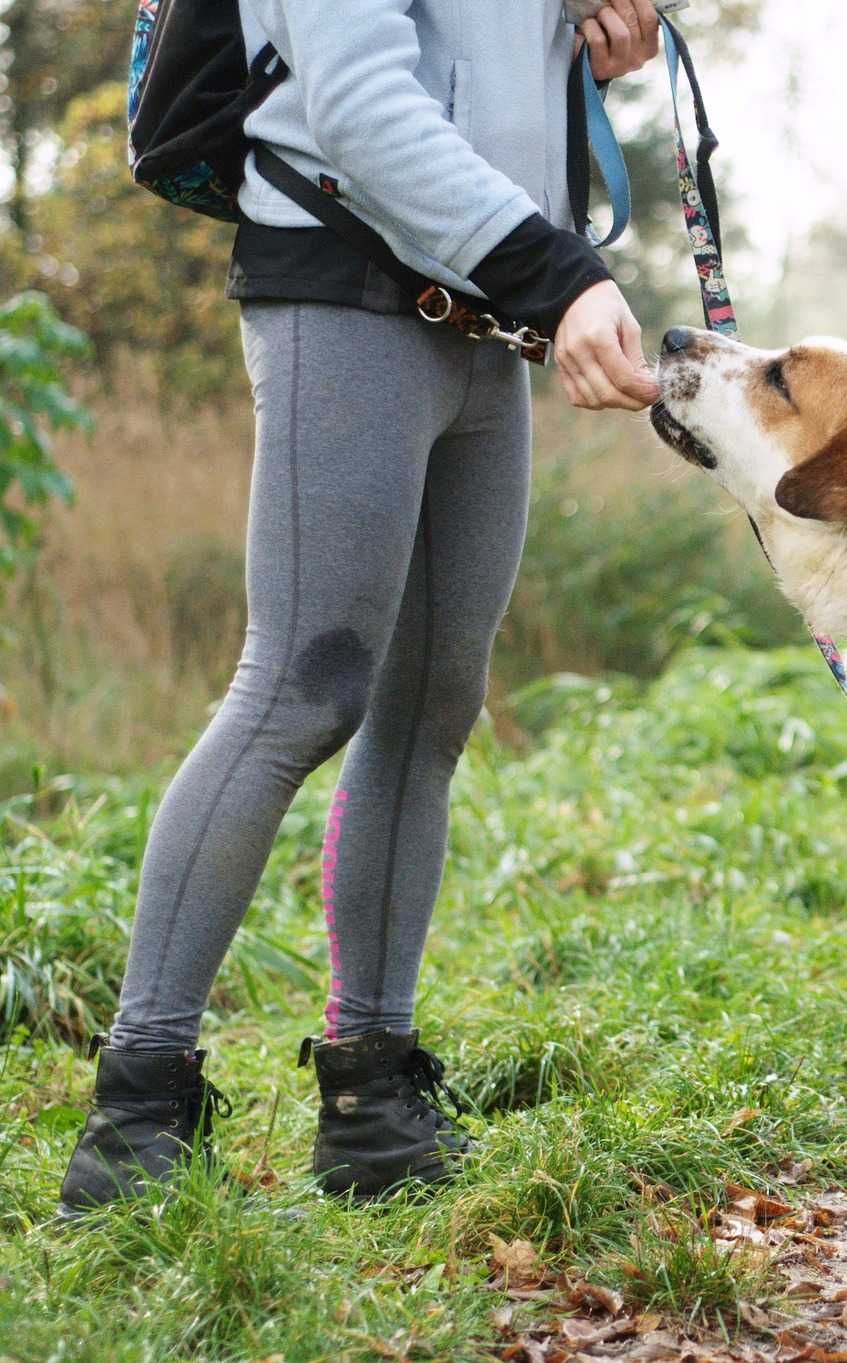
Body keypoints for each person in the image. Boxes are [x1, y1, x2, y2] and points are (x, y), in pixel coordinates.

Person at [60, 0, 668, 1215]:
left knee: (433, 706)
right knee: (301, 689)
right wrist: (559, 271)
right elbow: (358, 102)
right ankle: (135, 1112)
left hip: (486, 317)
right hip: (343, 286)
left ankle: (372, 1098)